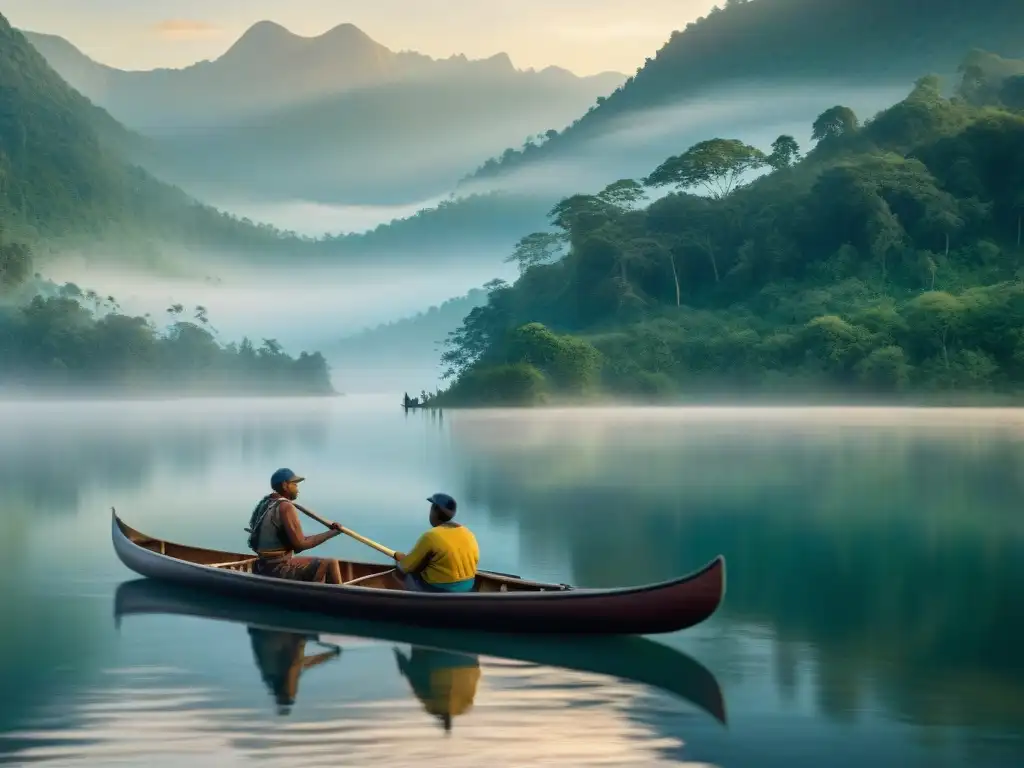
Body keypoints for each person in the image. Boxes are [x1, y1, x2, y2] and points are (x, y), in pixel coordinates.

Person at [246, 468, 345, 584]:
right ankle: (341, 598)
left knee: (317, 565)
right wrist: (332, 533)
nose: (297, 489)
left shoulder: (265, 502)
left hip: (260, 566)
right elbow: (300, 545)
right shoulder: (285, 507)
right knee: (330, 563)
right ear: (285, 485)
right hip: (276, 569)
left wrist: (330, 532)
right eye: (295, 485)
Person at [392, 493, 479, 593]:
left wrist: (399, 558)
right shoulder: (468, 533)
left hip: (442, 591)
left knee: (402, 573)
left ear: (435, 511)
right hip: (468, 587)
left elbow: (405, 567)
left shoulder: (431, 536)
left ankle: (411, 603)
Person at [248, 626, 342, 716]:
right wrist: (331, 654)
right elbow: (302, 664)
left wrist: (331, 654)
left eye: (284, 700)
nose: (287, 697)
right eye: (286, 700)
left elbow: (301, 664)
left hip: (276, 632)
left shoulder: (274, 675)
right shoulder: (277, 676)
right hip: (281, 632)